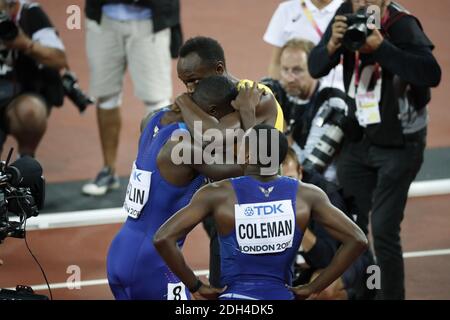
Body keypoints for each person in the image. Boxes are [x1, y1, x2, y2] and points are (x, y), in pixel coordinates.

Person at [308, 0, 441, 299]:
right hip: (359, 139)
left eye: (370, 1)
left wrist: (382, 48)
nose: (363, 5)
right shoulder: (347, 14)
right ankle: (369, 291)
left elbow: (431, 74)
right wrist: (330, 45)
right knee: (354, 228)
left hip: (400, 144)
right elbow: (315, 67)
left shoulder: (402, 24)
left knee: (382, 230)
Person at [154, 124, 368, 300]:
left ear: (246, 153)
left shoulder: (217, 194)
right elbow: (357, 239)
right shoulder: (309, 195)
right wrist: (313, 287)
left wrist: (195, 285)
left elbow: (163, 238)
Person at [107, 75, 261, 300]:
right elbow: (256, 166)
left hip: (120, 252)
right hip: (153, 264)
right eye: (225, 119)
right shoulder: (185, 150)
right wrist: (247, 113)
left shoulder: (153, 119)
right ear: (212, 112)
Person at [174, 36, 286, 288]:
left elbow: (211, 136)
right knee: (223, 287)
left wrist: (183, 104)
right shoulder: (202, 102)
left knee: (264, 287)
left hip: (263, 211)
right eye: (184, 83)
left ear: (219, 70)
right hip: (223, 210)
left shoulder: (259, 96)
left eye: (194, 81)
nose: (189, 90)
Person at [82, 0, 181, 196]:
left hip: (149, 20)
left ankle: (158, 177)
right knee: (106, 96)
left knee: (157, 101)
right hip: (104, 19)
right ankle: (108, 171)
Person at [282, 147, 375, 300]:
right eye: (281, 181)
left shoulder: (325, 196)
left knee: (323, 290)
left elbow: (326, 257)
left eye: (291, 179)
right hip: (302, 264)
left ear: (301, 172)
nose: (287, 189)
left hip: (344, 258)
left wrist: (295, 222)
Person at [261, 38, 349, 182]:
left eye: (297, 70)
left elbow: (309, 167)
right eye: (285, 70)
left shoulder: (332, 101)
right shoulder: (276, 92)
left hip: (321, 189)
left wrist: (280, 125)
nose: (289, 78)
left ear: (313, 69)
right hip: (282, 181)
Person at [0, 0, 67, 157]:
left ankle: (25, 162)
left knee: (31, 112)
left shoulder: (30, 12)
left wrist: (26, 45)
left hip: (18, 96)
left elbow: (59, 59)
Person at [263, 0, 343, 89]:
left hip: (339, 90)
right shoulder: (287, 10)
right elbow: (276, 62)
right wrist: (275, 91)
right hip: (297, 94)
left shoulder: (348, 8)